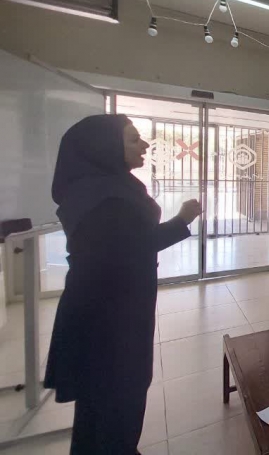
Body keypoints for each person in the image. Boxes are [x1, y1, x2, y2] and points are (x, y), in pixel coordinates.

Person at [45, 115, 201, 454]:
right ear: (104, 148)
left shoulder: (98, 187)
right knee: (118, 399)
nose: (144, 145)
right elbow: (132, 247)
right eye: (133, 139)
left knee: (99, 408)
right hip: (111, 321)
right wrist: (182, 220)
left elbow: (126, 243)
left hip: (108, 311)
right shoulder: (106, 198)